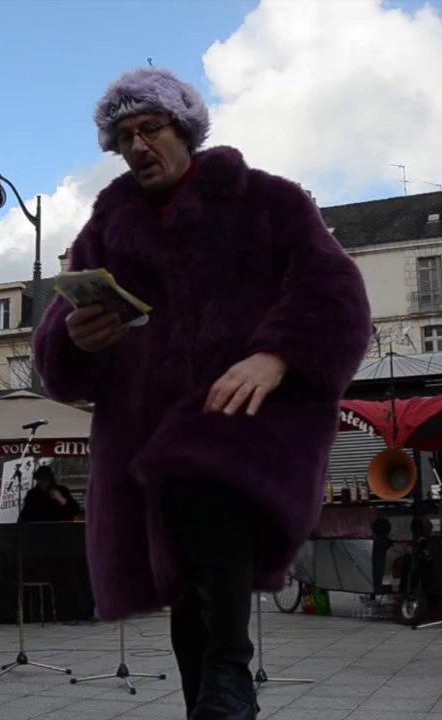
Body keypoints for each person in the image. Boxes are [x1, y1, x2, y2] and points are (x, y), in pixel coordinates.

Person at [32, 67, 371, 719]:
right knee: (186, 582)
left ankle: (229, 670)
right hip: (144, 436)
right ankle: (213, 699)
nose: (136, 147)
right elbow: (57, 354)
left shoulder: (269, 203)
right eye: (124, 137)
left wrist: (277, 355)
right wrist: (80, 337)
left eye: (149, 129)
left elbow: (336, 293)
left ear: (184, 130)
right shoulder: (106, 229)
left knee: (197, 466)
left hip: (254, 419)